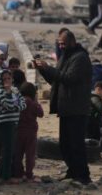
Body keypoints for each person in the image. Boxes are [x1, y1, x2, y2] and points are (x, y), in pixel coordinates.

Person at [34, 30, 93, 184]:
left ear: (72, 42)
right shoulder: (65, 56)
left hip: (77, 107)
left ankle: (83, 175)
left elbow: (69, 79)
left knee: (76, 143)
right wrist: (43, 69)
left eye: (63, 44)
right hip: (66, 107)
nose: (61, 46)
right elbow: (56, 80)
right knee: (65, 144)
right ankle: (72, 171)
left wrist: (49, 68)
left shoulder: (80, 58)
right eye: (59, 44)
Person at [0, 69, 26, 182]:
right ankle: (6, 176)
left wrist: (15, 106)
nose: (7, 81)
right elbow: (7, 105)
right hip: (4, 123)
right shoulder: (0, 92)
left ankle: (3, 173)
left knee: (10, 149)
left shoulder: (15, 90)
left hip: (14, 122)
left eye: (9, 78)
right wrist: (8, 92)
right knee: (7, 150)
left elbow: (23, 104)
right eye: (4, 79)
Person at [13, 82, 43, 181]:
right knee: (30, 154)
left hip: (18, 131)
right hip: (30, 132)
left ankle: (18, 172)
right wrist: (37, 101)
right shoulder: (33, 103)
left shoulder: (18, 101)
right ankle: (29, 173)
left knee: (18, 153)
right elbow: (41, 114)